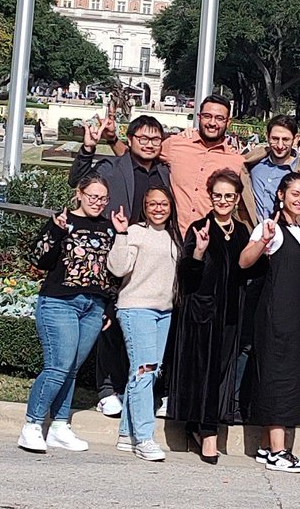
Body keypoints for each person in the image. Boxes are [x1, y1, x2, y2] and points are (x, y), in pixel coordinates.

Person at [70, 112, 172, 417]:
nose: (150, 144)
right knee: (112, 321)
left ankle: (142, 389)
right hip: (118, 250)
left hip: (152, 257)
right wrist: (88, 148)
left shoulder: (165, 173)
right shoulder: (112, 167)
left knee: (147, 325)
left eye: (156, 139)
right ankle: (107, 389)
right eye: (143, 138)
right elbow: (78, 181)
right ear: (130, 139)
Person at [18, 173, 116, 454]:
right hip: (60, 301)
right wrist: (56, 230)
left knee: (72, 369)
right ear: (79, 195)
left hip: (93, 306)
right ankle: (33, 424)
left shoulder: (109, 227)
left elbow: (113, 273)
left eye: (103, 198)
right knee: (58, 366)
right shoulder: (63, 220)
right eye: (92, 197)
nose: (97, 203)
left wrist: (108, 306)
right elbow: (39, 259)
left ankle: (60, 426)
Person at [167, 168, 249, 463]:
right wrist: (199, 252)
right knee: (204, 373)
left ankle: (197, 426)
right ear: (210, 196)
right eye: (218, 195)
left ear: (237, 198)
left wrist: (263, 245)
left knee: (222, 373)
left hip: (230, 314)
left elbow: (248, 271)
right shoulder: (199, 228)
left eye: (229, 196)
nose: (224, 201)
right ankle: (208, 432)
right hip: (202, 314)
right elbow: (187, 275)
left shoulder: (240, 231)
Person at [240, 172, 300, 474]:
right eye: (294, 193)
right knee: (277, 379)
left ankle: (263, 446)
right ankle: (278, 451)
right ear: (281, 195)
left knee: (288, 377)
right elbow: (245, 260)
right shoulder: (270, 227)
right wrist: (263, 242)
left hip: (298, 318)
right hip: (276, 318)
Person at [107, 185, 181, 461]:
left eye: (163, 204)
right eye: (153, 204)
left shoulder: (174, 236)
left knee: (144, 372)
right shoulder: (135, 232)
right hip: (137, 309)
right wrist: (122, 234)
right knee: (144, 371)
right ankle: (145, 438)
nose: (158, 208)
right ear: (145, 206)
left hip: (164, 311)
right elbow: (117, 268)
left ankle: (127, 433)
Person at [158, 94, 248, 229]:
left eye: (219, 118)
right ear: (199, 117)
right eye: (207, 116)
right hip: (172, 236)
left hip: (209, 240)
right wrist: (113, 139)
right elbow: (138, 155)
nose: (212, 123)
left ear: (228, 122)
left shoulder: (236, 161)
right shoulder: (175, 144)